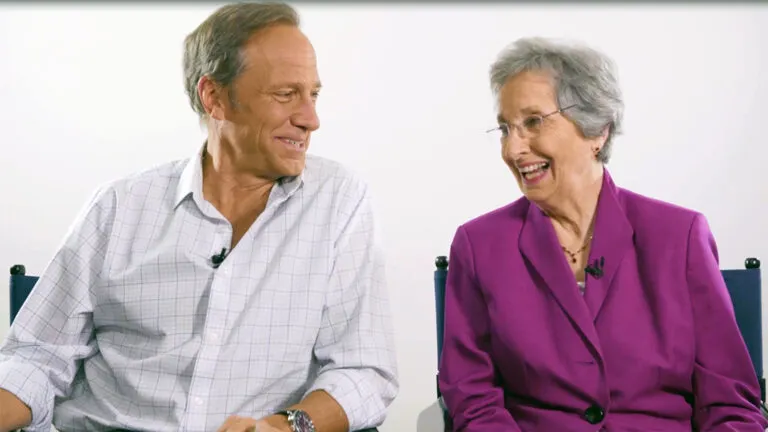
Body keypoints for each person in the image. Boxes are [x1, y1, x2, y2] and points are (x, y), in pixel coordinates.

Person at [0, 3, 398, 432]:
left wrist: (284, 427)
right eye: (286, 95)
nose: (310, 119)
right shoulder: (117, 206)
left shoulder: (338, 201)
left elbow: (363, 372)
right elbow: (37, 358)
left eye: (313, 94)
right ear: (215, 98)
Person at [437, 36, 767, 431]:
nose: (513, 148)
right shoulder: (479, 246)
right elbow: (472, 399)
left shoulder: (679, 237)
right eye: (505, 129)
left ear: (597, 131)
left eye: (532, 122)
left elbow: (731, 405)